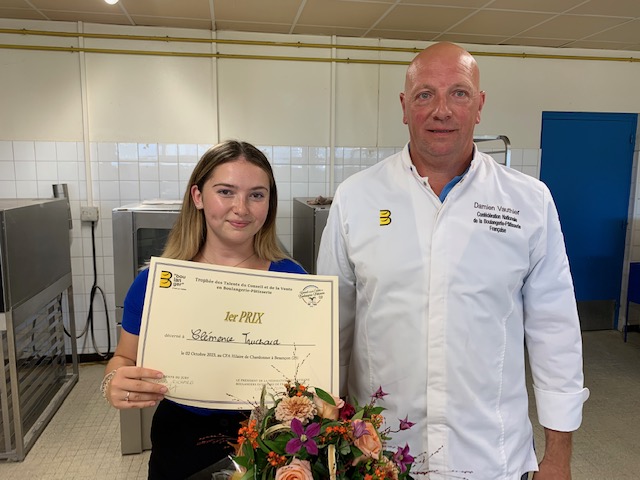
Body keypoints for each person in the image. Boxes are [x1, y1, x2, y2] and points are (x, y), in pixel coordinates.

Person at [317, 42, 589, 480]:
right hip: (378, 454)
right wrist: (325, 441)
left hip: (491, 455)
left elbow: (555, 332)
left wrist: (558, 457)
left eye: (458, 93)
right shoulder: (357, 198)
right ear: (404, 107)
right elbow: (332, 330)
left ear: (479, 106)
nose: (441, 110)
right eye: (425, 94)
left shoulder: (528, 202)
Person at [101, 140, 306, 479]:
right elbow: (123, 359)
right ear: (197, 196)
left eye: (256, 195)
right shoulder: (157, 283)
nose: (241, 207)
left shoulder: (292, 280)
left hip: (270, 436)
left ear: (270, 204)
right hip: (182, 438)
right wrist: (112, 382)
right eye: (225, 191)